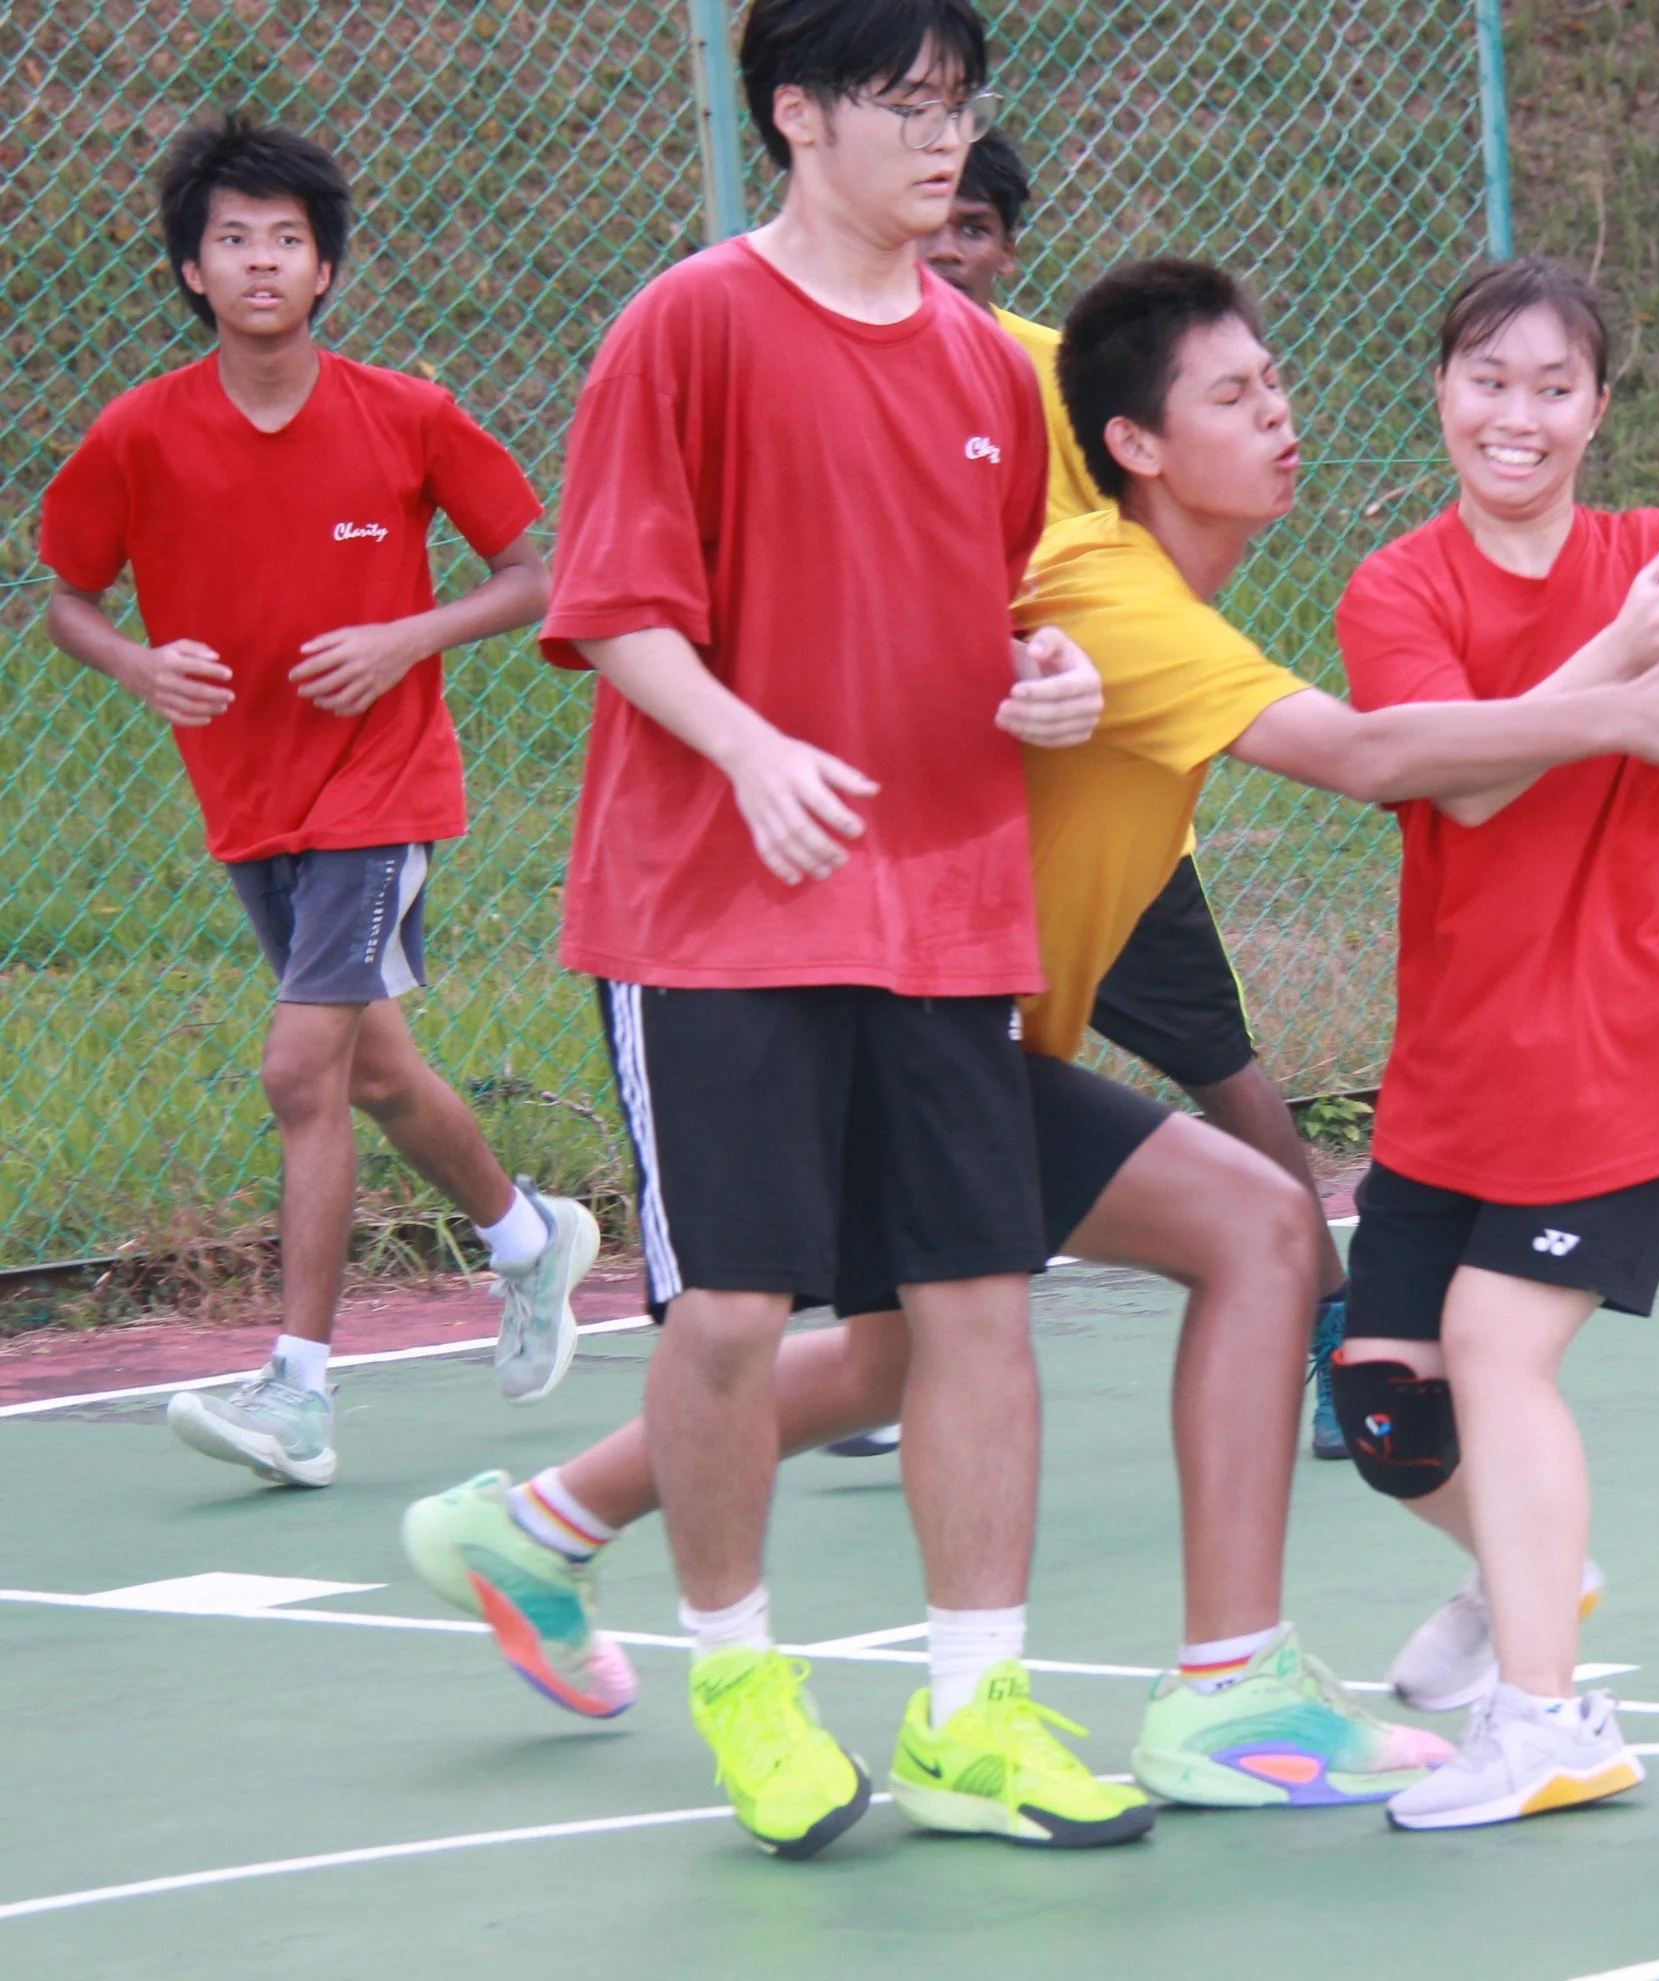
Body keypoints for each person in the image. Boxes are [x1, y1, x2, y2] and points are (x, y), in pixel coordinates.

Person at [403, 257, 1659, 1818]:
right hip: (883, 1014)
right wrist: (1620, 701)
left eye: (1276, 385)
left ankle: (535, 1526)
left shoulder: (1132, 582)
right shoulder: (1114, 595)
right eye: (1235, 396)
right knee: (1251, 1232)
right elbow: (1369, 755)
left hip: (956, 1023)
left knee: (901, 1349)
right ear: (1136, 443)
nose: (1280, 416)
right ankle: (1227, 1689)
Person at [494, 0, 1163, 1860]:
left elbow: (1000, 596)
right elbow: (612, 605)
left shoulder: (984, 363)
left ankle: (975, 1712)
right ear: (796, 114)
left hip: (945, 902)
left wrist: (1049, 670)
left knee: (974, 1306)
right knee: (730, 1310)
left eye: (960, 105)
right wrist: (748, 745)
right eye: (903, 105)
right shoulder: (690, 324)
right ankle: (740, 1678)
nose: (943, 140)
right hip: (717, 909)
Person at [1328, 256, 1659, 1831]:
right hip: (1455, 1069)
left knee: (1494, 1345)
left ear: (1600, 410)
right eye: (1489, 379)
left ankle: (1549, 1720)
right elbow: (1465, 778)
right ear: (1440, 388)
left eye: (1555, 387)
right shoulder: (1398, 590)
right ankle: (1536, 1568)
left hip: (1617, 1051)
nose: (1518, 415)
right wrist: (1623, 659)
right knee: (1388, 1407)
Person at [37, 116, 596, 1491]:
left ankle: (297, 1393)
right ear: (192, 270)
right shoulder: (139, 434)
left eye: (286, 238)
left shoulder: (405, 415)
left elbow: (535, 574)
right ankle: (528, 1239)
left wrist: (409, 637)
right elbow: (68, 599)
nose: (261, 261)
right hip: (250, 798)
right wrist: (136, 663)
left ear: (326, 267)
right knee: (377, 1072)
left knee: (301, 1070)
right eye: (232, 238)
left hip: (382, 788)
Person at [917, 128, 1358, 1462]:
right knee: (932, 1297)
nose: (947, 246)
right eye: (930, 216)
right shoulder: (847, 374)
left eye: (974, 225)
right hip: (992, 806)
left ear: (1008, 247)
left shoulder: (1049, 378)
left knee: (1221, 1070)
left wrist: (1051, 654)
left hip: (1111, 753)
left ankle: (1336, 1325)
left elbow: (1075, 564)